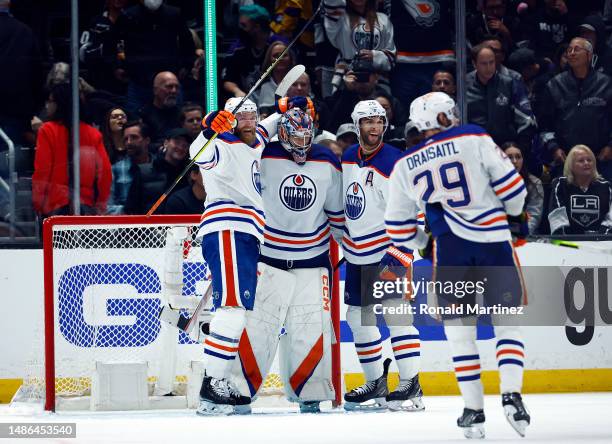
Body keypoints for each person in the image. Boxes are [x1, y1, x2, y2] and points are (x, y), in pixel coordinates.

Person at [386, 92, 530, 438]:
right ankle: (512, 395)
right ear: (446, 116)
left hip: (450, 251)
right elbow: (514, 190)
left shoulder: (405, 163)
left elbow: (397, 228)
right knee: (508, 325)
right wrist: (513, 218)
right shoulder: (473, 136)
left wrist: (425, 244)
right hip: (495, 242)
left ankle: (473, 410)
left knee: (460, 334)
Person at [191, 96, 308, 415]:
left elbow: (270, 123)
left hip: (247, 233)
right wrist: (207, 127)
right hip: (228, 226)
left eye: (252, 114)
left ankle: (215, 383)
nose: (248, 118)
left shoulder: (256, 136)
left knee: (237, 310)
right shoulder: (221, 144)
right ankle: (212, 385)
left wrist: (286, 106)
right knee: (231, 309)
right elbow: (197, 152)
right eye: (241, 115)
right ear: (229, 119)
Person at [229, 108, 343, 413]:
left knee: (311, 328)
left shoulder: (327, 160)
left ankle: (310, 393)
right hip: (269, 258)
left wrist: (350, 245)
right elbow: (236, 144)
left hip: (313, 259)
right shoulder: (262, 155)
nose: (302, 142)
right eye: (295, 135)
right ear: (282, 133)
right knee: (257, 328)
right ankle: (240, 392)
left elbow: (336, 213)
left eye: (307, 136)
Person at [341, 100, 424, 412]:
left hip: (390, 250)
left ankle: (411, 386)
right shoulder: (348, 157)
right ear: (357, 124)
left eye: (379, 121)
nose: (374, 127)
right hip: (358, 253)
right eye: (368, 122)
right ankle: (376, 382)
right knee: (358, 318)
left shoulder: (394, 161)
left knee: (396, 315)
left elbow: (412, 213)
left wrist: (401, 255)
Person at [32, 83, 112, 218]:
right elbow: (105, 173)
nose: (47, 105)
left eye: (50, 101)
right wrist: (100, 204)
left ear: (60, 104)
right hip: (85, 205)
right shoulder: (93, 134)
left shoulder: (47, 130)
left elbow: (42, 170)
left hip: (55, 205)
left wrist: (38, 203)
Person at [538, 38, 612, 180]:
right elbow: (544, 124)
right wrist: (554, 148)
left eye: (577, 49)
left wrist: (610, 146)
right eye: (569, 50)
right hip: (566, 159)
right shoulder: (554, 85)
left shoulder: (607, 84)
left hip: (600, 158)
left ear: (589, 55)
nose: (571, 53)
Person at [113, 0, 195, 111]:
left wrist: (187, 65)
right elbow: (112, 42)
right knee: (135, 120)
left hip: (169, 77)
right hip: (139, 79)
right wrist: (117, 67)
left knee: (176, 118)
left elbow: (187, 41)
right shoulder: (128, 15)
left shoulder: (173, 13)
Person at [466, 44, 537, 152]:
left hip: (505, 147)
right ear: (474, 64)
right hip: (474, 147)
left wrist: (518, 148)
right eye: (484, 64)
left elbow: (526, 120)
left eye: (491, 62)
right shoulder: (464, 85)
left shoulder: (510, 83)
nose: (489, 67)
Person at [0, 0, 44, 150]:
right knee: (8, 160)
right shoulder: (24, 31)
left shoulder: (24, 31)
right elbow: (37, 73)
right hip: (15, 108)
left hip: (13, 110)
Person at [548, 144, 612, 234]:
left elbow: (610, 219)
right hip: (568, 242)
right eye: (581, 161)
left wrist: (600, 237)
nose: (586, 163)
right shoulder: (561, 184)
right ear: (571, 166)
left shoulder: (606, 186)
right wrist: (567, 241)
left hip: (600, 242)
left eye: (589, 160)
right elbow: (557, 218)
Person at [323, 0, 396, 75]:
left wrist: (374, 56)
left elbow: (391, 58)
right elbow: (331, 3)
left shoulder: (383, 19)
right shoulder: (338, 18)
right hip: (345, 77)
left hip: (377, 79)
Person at [222, 4, 272, 98]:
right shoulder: (237, 49)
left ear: (257, 27)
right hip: (246, 101)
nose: (241, 29)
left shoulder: (278, 46)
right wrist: (237, 91)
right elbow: (227, 80)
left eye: (244, 25)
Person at [503, 142, 544, 234]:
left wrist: (522, 234)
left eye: (518, 157)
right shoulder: (492, 183)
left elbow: (534, 215)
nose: (514, 161)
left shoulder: (534, 183)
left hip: (525, 235)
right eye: (509, 157)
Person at [139, 71, 182, 148]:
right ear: (155, 90)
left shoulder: (181, 112)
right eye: (169, 87)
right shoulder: (144, 115)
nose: (174, 91)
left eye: (177, 87)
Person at [256, 41, 296, 109]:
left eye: (284, 55)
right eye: (275, 56)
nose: (280, 58)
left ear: (290, 58)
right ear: (269, 59)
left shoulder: (298, 81)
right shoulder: (261, 84)